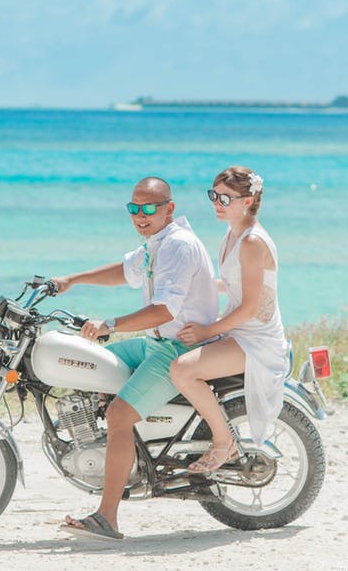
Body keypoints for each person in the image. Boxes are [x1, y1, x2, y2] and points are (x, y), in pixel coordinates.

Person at [53, 176, 219, 540]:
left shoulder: (178, 246)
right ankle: (127, 448)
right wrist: (72, 279)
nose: (140, 215)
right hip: (156, 342)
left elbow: (163, 310)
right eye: (134, 208)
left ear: (168, 209)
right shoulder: (155, 243)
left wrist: (110, 324)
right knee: (94, 363)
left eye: (148, 208)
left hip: (178, 347)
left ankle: (107, 517)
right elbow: (123, 271)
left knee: (118, 415)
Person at [169, 166, 288, 473]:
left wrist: (208, 330)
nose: (217, 203)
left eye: (226, 198)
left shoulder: (251, 242)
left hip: (255, 339)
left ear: (247, 201)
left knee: (182, 371)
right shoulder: (232, 234)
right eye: (214, 195)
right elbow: (233, 285)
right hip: (238, 330)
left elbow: (249, 307)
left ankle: (225, 441)